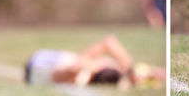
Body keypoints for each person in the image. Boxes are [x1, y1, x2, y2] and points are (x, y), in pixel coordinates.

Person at [24, 34, 165, 87]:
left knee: (72, 62)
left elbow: (108, 42)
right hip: (41, 64)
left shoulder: (76, 70)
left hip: (38, 64)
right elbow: (108, 42)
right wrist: (132, 70)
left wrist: (132, 70)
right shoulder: (80, 69)